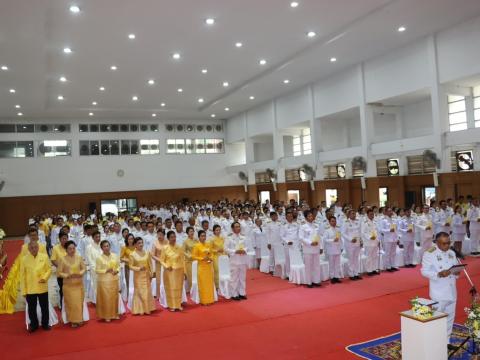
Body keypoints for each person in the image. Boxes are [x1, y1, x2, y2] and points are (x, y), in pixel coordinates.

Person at [421, 232, 459, 348]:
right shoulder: (429, 254)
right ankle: (435, 343)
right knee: (437, 318)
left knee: (450, 318)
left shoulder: (452, 253)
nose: (447, 246)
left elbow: (455, 269)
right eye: (444, 243)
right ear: (437, 242)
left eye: (448, 243)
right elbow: (424, 271)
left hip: (452, 291)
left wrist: (457, 272)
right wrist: (438, 274)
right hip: (439, 292)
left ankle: (446, 341)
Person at [20, 241, 52, 332]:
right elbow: (22, 276)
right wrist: (23, 291)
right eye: (31, 248)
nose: (34, 249)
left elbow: (49, 269)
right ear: (28, 249)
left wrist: (45, 278)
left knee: (44, 307)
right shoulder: (24, 259)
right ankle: (34, 324)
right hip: (30, 288)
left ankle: (45, 323)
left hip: (42, 286)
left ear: (38, 247)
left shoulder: (44, 257)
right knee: (31, 308)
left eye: (35, 247)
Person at [57, 241, 87, 327]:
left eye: (73, 248)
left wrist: (80, 273)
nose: (72, 250)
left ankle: (79, 318)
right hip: (68, 285)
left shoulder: (79, 257)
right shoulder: (62, 259)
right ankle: (73, 320)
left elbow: (84, 268)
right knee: (71, 303)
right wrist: (67, 275)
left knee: (78, 303)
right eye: (70, 248)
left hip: (78, 284)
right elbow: (59, 273)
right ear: (66, 250)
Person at [129, 237, 156, 315]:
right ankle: (140, 309)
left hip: (146, 275)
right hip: (138, 276)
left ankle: (148, 308)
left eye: (141, 243)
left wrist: (152, 273)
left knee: (147, 291)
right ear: (135, 245)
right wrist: (139, 268)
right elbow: (130, 266)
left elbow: (150, 264)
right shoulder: (132, 254)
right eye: (139, 243)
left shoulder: (147, 252)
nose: (141, 244)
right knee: (140, 292)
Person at [95, 240, 121, 322]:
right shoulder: (99, 258)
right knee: (106, 298)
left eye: (108, 246)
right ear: (102, 248)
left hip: (114, 279)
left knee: (114, 298)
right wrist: (106, 270)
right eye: (104, 246)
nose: (106, 248)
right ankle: (106, 315)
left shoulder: (115, 255)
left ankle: (115, 314)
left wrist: (117, 270)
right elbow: (97, 270)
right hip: (104, 281)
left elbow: (118, 266)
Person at [160, 231, 185, 311]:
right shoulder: (165, 248)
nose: (173, 239)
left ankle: (178, 305)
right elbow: (161, 260)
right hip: (169, 271)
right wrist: (167, 266)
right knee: (171, 288)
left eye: (174, 237)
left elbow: (182, 260)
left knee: (178, 288)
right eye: (171, 237)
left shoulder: (179, 247)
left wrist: (185, 272)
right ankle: (172, 305)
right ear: (168, 238)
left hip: (179, 271)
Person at [225, 222, 249, 300]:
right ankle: (234, 294)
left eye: (239, 226)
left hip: (242, 260)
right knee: (234, 278)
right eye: (236, 227)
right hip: (234, 260)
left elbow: (248, 246)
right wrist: (235, 251)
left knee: (242, 277)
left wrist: (244, 250)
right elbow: (225, 249)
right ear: (232, 229)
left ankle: (242, 293)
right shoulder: (229, 238)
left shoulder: (243, 237)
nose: (238, 228)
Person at [299, 210, 323, 287]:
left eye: (312, 216)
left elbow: (319, 237)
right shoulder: (303, 226)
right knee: (308, 266)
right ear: (306, 218)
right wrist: (310, 242)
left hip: (316, 248)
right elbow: (301, 238)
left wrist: (321, 247)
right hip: (308, 249)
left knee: (316, 265)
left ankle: (316, 281)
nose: (311, 217)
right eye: (309, 216)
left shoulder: (316, 225)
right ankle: (309, 282)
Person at [192, 230, 216, 305]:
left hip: (209, 266)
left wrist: (210, 258)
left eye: (204, 236)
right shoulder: (196, 246)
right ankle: (204, 300)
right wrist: (202, 259)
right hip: (202, 267)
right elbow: (194, 256)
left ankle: (210, 299)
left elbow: (211, 253)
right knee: (203, 284)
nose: (203, 237)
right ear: (199, 237)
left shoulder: (208, 244)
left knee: (209, 283)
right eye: (202, 236)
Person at [342, 209, 362, 281]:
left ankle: (356, 273)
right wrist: (350, 239)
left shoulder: (357, 222)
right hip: (350, 244)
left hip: (357, 243)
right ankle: (351, 274)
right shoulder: (346, 222)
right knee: (351, 259)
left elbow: (359, 232)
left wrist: (361, 241)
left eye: (354, 214)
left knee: (356, 259)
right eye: (352, 214)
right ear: (349, 215)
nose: (354, 215)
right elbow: (343, 233)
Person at [51, 232, 68, 309]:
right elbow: (53, 260)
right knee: (62, 289)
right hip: (61, 273)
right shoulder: (55, 248)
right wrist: (61, 267)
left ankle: (69, 304)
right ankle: (62, 304)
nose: (65, 240)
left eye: (66, 238)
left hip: (70, 273)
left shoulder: (70, 247)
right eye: (63, 239)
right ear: (60, 239)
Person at [361, 210, 380, 276]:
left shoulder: (375, 222)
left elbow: (377, 232)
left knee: (375, 256)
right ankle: (369, 270)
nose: (372, 215)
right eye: (370, 214)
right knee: (369, 257)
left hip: (375, 241)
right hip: (368, 242)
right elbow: (363, 232)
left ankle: (374, 269)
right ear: (367, 215)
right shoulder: (365, 222)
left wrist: (378, 240)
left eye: (373, 214)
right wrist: (369, 237)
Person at [380, 207, 399, 272]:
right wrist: (389, 230)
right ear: (385, 212)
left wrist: (397, 237)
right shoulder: (383, 220)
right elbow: (381, 230)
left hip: (394, 238)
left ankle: (393, 265)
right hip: (388, 238)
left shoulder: (394, 219)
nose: (391, 212)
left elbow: (396, 229)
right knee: (387, 253)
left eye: (391, 211)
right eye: (389, 211)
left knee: (393, 253)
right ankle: (388, 267)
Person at [151, 229, 167, 299]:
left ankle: (166, 294)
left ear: (164, 235)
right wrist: (159, 260)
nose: (159, 236)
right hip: (159, 263)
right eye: (158, 234)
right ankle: (158, 295)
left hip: (166, 263)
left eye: (161, 235)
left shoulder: (167, 242)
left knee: (166, 279)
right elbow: (152, 255)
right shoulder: (155, 243)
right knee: (159, 279)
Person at [208, 224, 225, 289]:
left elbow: (225, 246)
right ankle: (217, 286)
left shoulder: (222, 238)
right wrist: (217, 250)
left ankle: (223, 285)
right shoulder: (212, 239)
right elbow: (210, 249)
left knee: (223, 270)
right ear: (214, 231)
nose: (218, 231)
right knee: (217, 271)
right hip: (215, 257)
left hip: (223, 256)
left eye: (219, 230)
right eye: (216, 230)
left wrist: (224, 250)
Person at [182, 227, 198, 292]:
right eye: (190, 231)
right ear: (187, 233)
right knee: (191, 277)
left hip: (196, 260)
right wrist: (188, 255)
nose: (192, 233)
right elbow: (182, 251)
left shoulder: (196, 240)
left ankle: (198, 290)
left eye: (192, 231)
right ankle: (192, 291)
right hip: (189, 261)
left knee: (197, 275)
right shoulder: (185, 241)